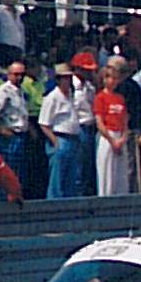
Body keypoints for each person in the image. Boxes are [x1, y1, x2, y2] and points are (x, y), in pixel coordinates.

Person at [37, 62, 91, 198]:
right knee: (57, 179)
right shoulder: (52, 98)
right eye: (64, 78)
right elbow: (44, 123)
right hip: (60, 137)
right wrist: (55, 142)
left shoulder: (72, 95)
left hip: (74, 138)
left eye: (69, 77)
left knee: (73, 178)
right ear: (58, 80)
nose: (67, 80)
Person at [93, 60, 136, 196]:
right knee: (107, 174)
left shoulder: (120, 98)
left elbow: (125, 120)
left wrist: (123, 138)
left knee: (121, 175)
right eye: (110, 78)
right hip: (108, 137)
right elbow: (100, 123)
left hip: (120, 136)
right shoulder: (100, 97)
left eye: (116, 78)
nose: (113, 81)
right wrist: (112, 141)